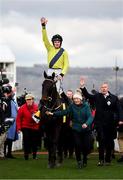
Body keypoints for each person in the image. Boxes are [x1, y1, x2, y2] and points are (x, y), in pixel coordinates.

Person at [80, 77, 123, 166]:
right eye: (102, 87)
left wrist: (120, 119)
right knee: (101, 140)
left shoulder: (114, 98)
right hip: (99, 123)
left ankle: (108, 160)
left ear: (108, 88)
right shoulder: (97, 96)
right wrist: (83, 87)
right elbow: (88, 95)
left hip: (111, 124)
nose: (103, 88)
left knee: (110, 142)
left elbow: (119, 110)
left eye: (105, 87)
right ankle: (101, 160)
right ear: (100, 88)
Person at [46, 91, 93, 169]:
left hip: (86, 130)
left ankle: (84, 158)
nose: (76, 100)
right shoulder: (71, 106)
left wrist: (86, 124)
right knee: (77, 145)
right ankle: (79, 161)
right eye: (74, 99)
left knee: (86, 146)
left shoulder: (86, 106)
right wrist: (53, 113)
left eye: (77, 98)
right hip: (76, 129)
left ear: (80, 99)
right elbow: (64, 112)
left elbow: (90, 117)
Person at [40, 17, 69, 94]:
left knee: (58, 90)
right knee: (46, 88)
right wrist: (43, 26)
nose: (57, 43)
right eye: (55, 42)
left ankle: (65, 103)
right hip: (50, 71)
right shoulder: (49, 48)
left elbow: (66, 64)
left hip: (59, 71)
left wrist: (62, 74)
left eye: (58, 42)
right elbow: (45, 39)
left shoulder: (64, 52)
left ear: (60, 43)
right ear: (53, 42)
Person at [16, 93, 40, 160]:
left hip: (34, 127)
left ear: (32, 100)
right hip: (25, 126)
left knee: (34, 141)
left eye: (30, 99)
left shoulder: (36, 107)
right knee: (26, 140)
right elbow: (18, 119)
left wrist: (38, 125)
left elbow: (39, 119)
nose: (28, 101)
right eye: (27, 100)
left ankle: (34, 155)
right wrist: (18, 128)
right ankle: (26, 155)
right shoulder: (22, 108)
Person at [3, 85, 18, 159]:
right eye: (11, 92)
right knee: (6, 138)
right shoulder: (6, 100)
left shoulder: (13, 101)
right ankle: (4, 153)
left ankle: (9, 153)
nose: (12, 93)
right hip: (7, 121)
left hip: (13, 122)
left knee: (11, 138)